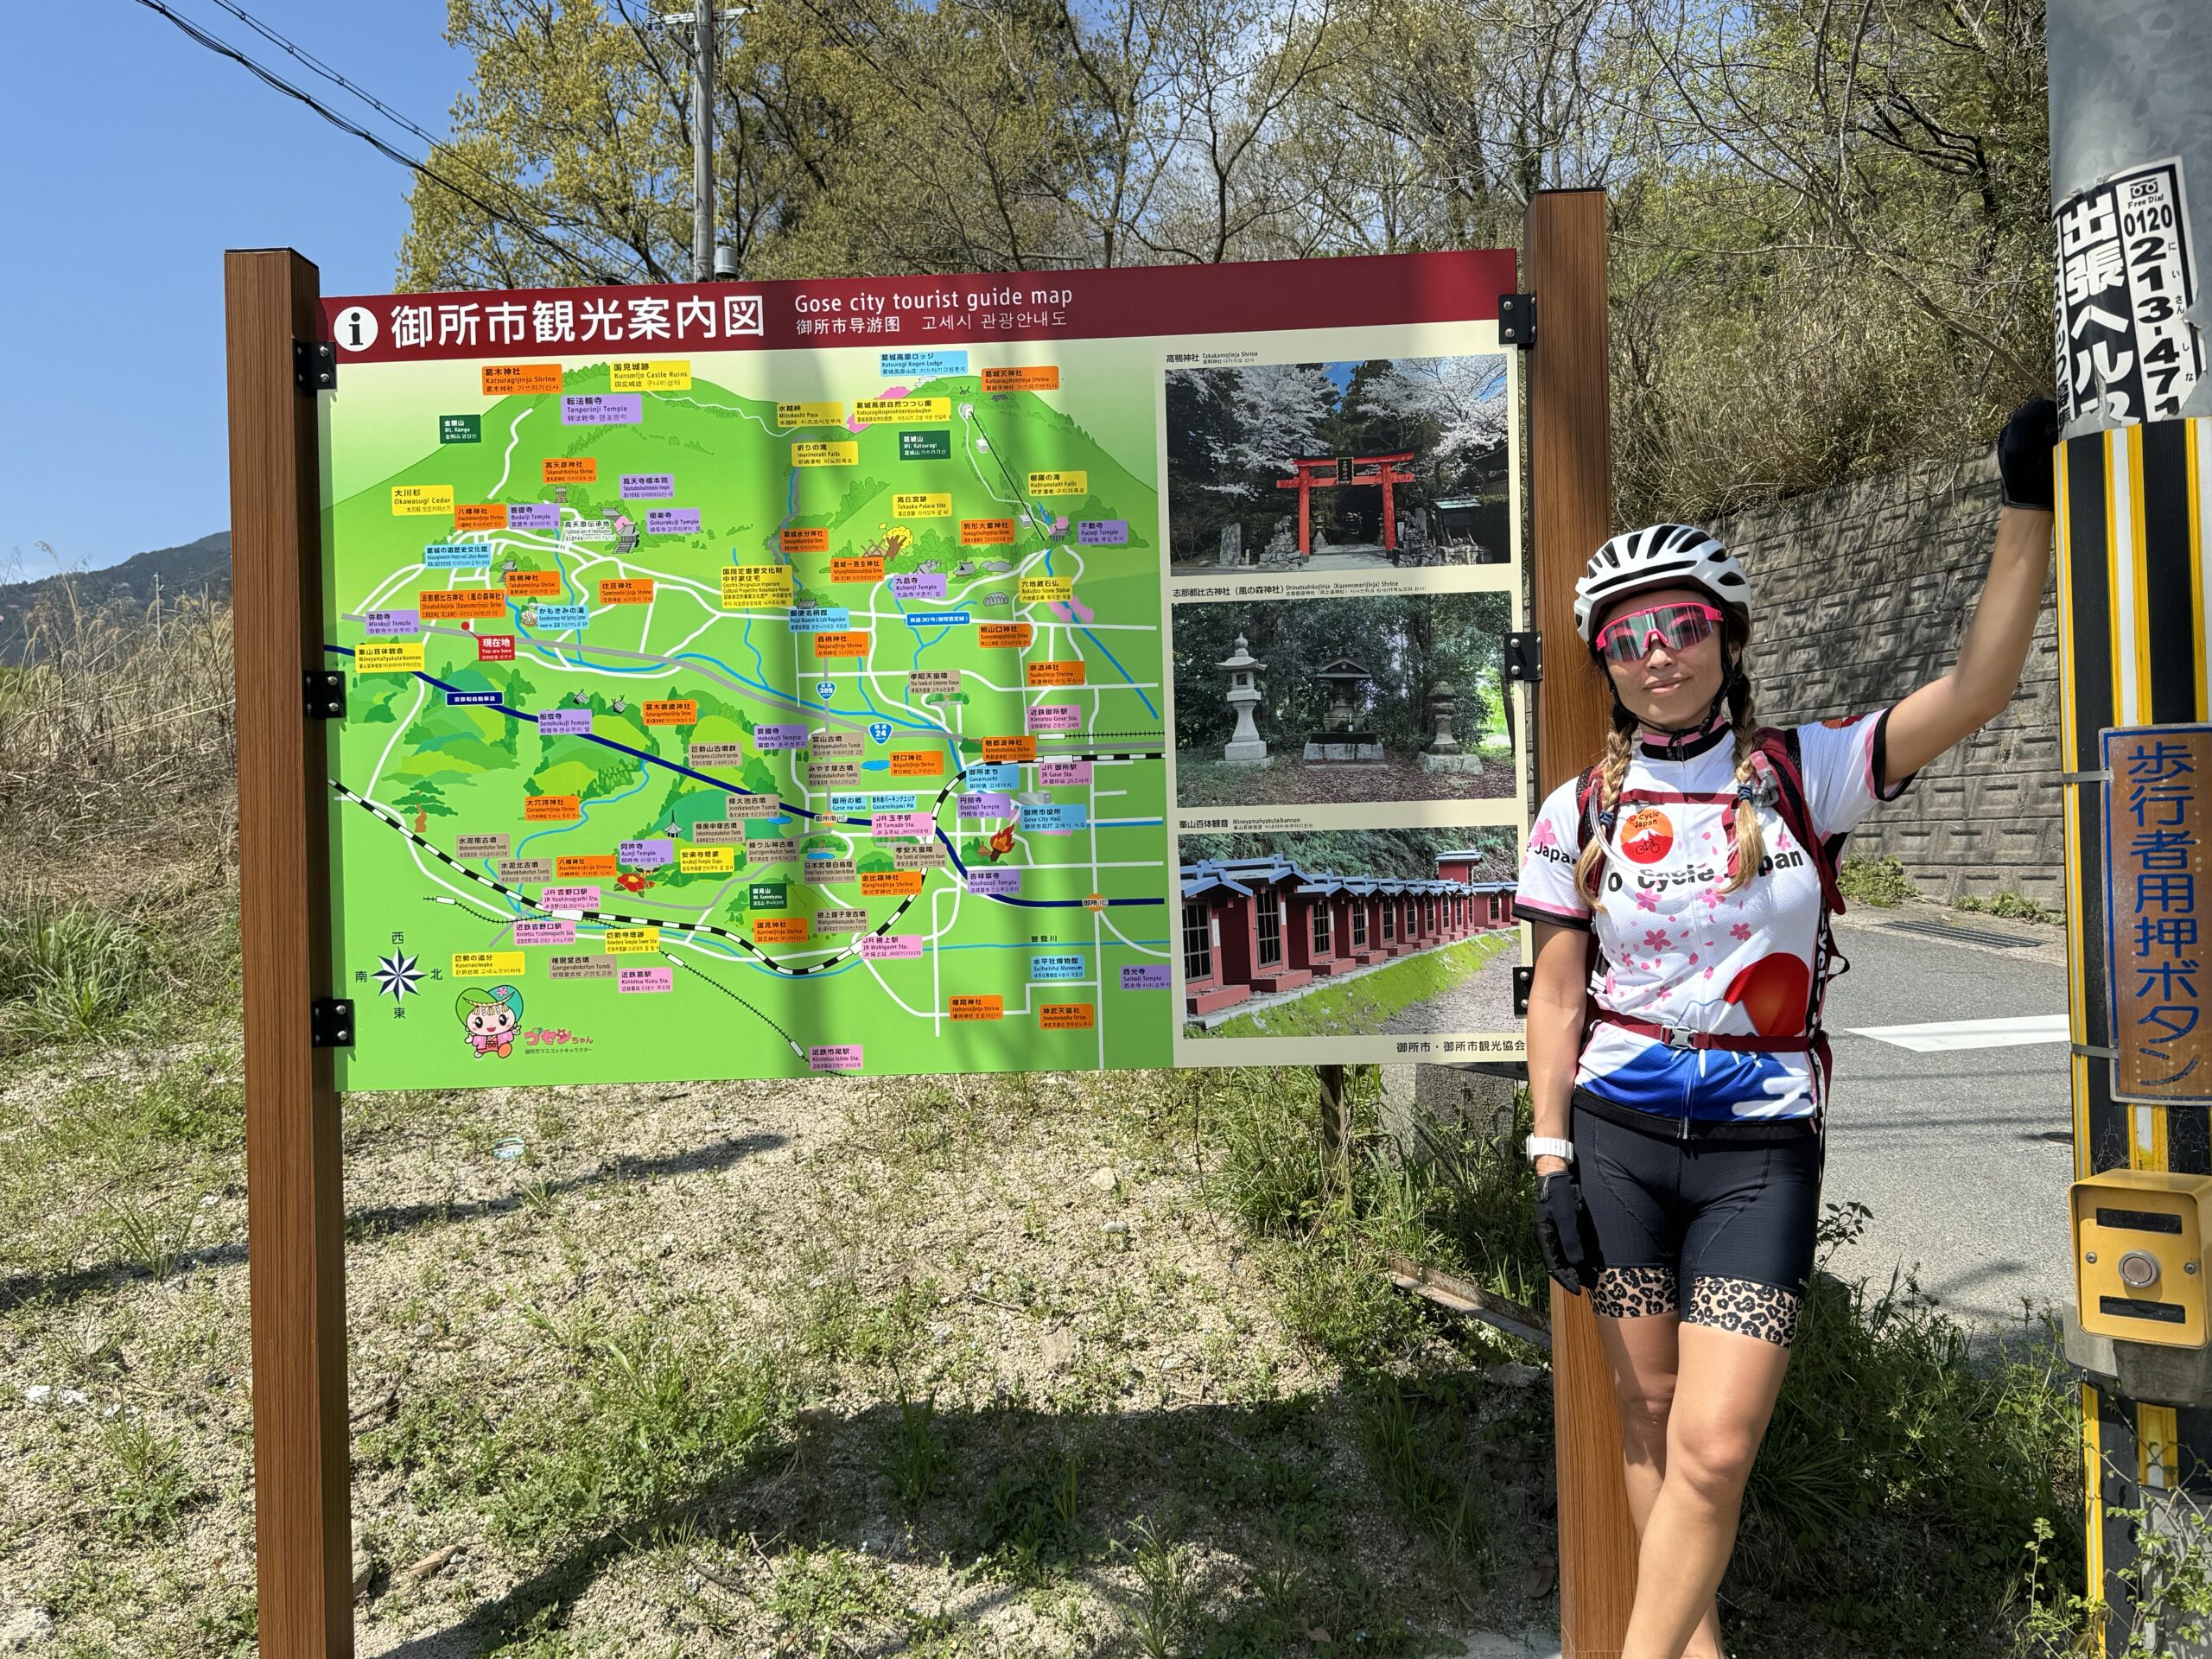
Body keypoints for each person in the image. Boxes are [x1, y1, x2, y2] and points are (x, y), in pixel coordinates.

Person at [1512, 398, 2059, 1659]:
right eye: (1629, 637)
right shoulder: (1571, 812)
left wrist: (2024, 509)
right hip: (1617, 1135)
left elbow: (1980, 689)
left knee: (1714, 1444)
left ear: (1729, 635)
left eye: (1683, 626)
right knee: (1650, 1423)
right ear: (1604, 660)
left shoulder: (1807, 770)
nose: (1659, 655)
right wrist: (1549, 1156)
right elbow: (1553, 993)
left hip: (1761, 1142)